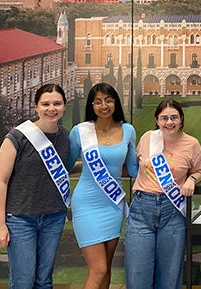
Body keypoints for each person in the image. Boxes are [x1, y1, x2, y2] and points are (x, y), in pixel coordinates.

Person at [0, 84, 70, 289]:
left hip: (53, 217)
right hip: (20, 219)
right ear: (36, 107)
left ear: (64, 106)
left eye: (57, 103)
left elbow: (62, 168)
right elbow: (0, 181)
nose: (51, 108)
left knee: (44, 281)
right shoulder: (17, 137)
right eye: (45, 104)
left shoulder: (66, 138)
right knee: (22, 282)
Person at [125, 99, 201, 289]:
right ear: (157, 120)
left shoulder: (192, 144)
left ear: (181, 119)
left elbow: (198, 171)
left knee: (169, 277)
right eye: (164, 118)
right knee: (137, 276)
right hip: (141, 210)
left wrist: (191, 180)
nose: (169, 122)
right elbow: (136, 165)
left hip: (173, 211)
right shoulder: (147, 138)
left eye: (174, 117)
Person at [66, 83, 138, 289]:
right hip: (87, 204)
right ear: (91, 105)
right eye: (97, 101)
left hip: (113, 204)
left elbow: (133, 170)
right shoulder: (80, 132)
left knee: (106, 267)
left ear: (116, 102)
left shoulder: (128, 130)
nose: (103, 105)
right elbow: (68, 165)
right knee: (98, 269)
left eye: (108, 100)